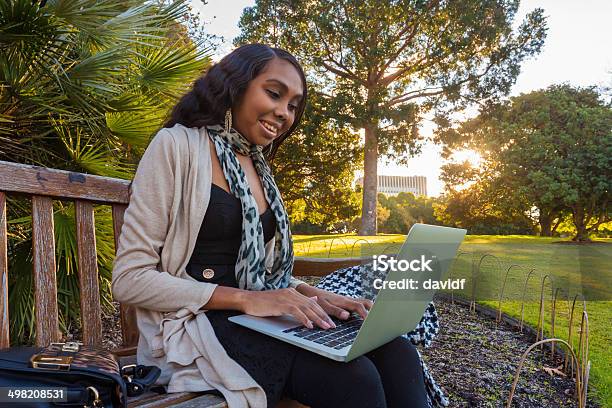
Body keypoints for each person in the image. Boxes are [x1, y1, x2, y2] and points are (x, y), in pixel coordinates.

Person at [112, 43, 430, 408]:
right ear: (236, 85)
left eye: (293, 105)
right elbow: (129, 278)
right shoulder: (176, 146)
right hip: (195, 326)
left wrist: (315, 295)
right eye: (274, 94)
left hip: (256, 318)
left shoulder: (257, 166)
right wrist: (249, 300)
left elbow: (261, 278)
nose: (283, 113)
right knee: (354, 379)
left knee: (397, 351)